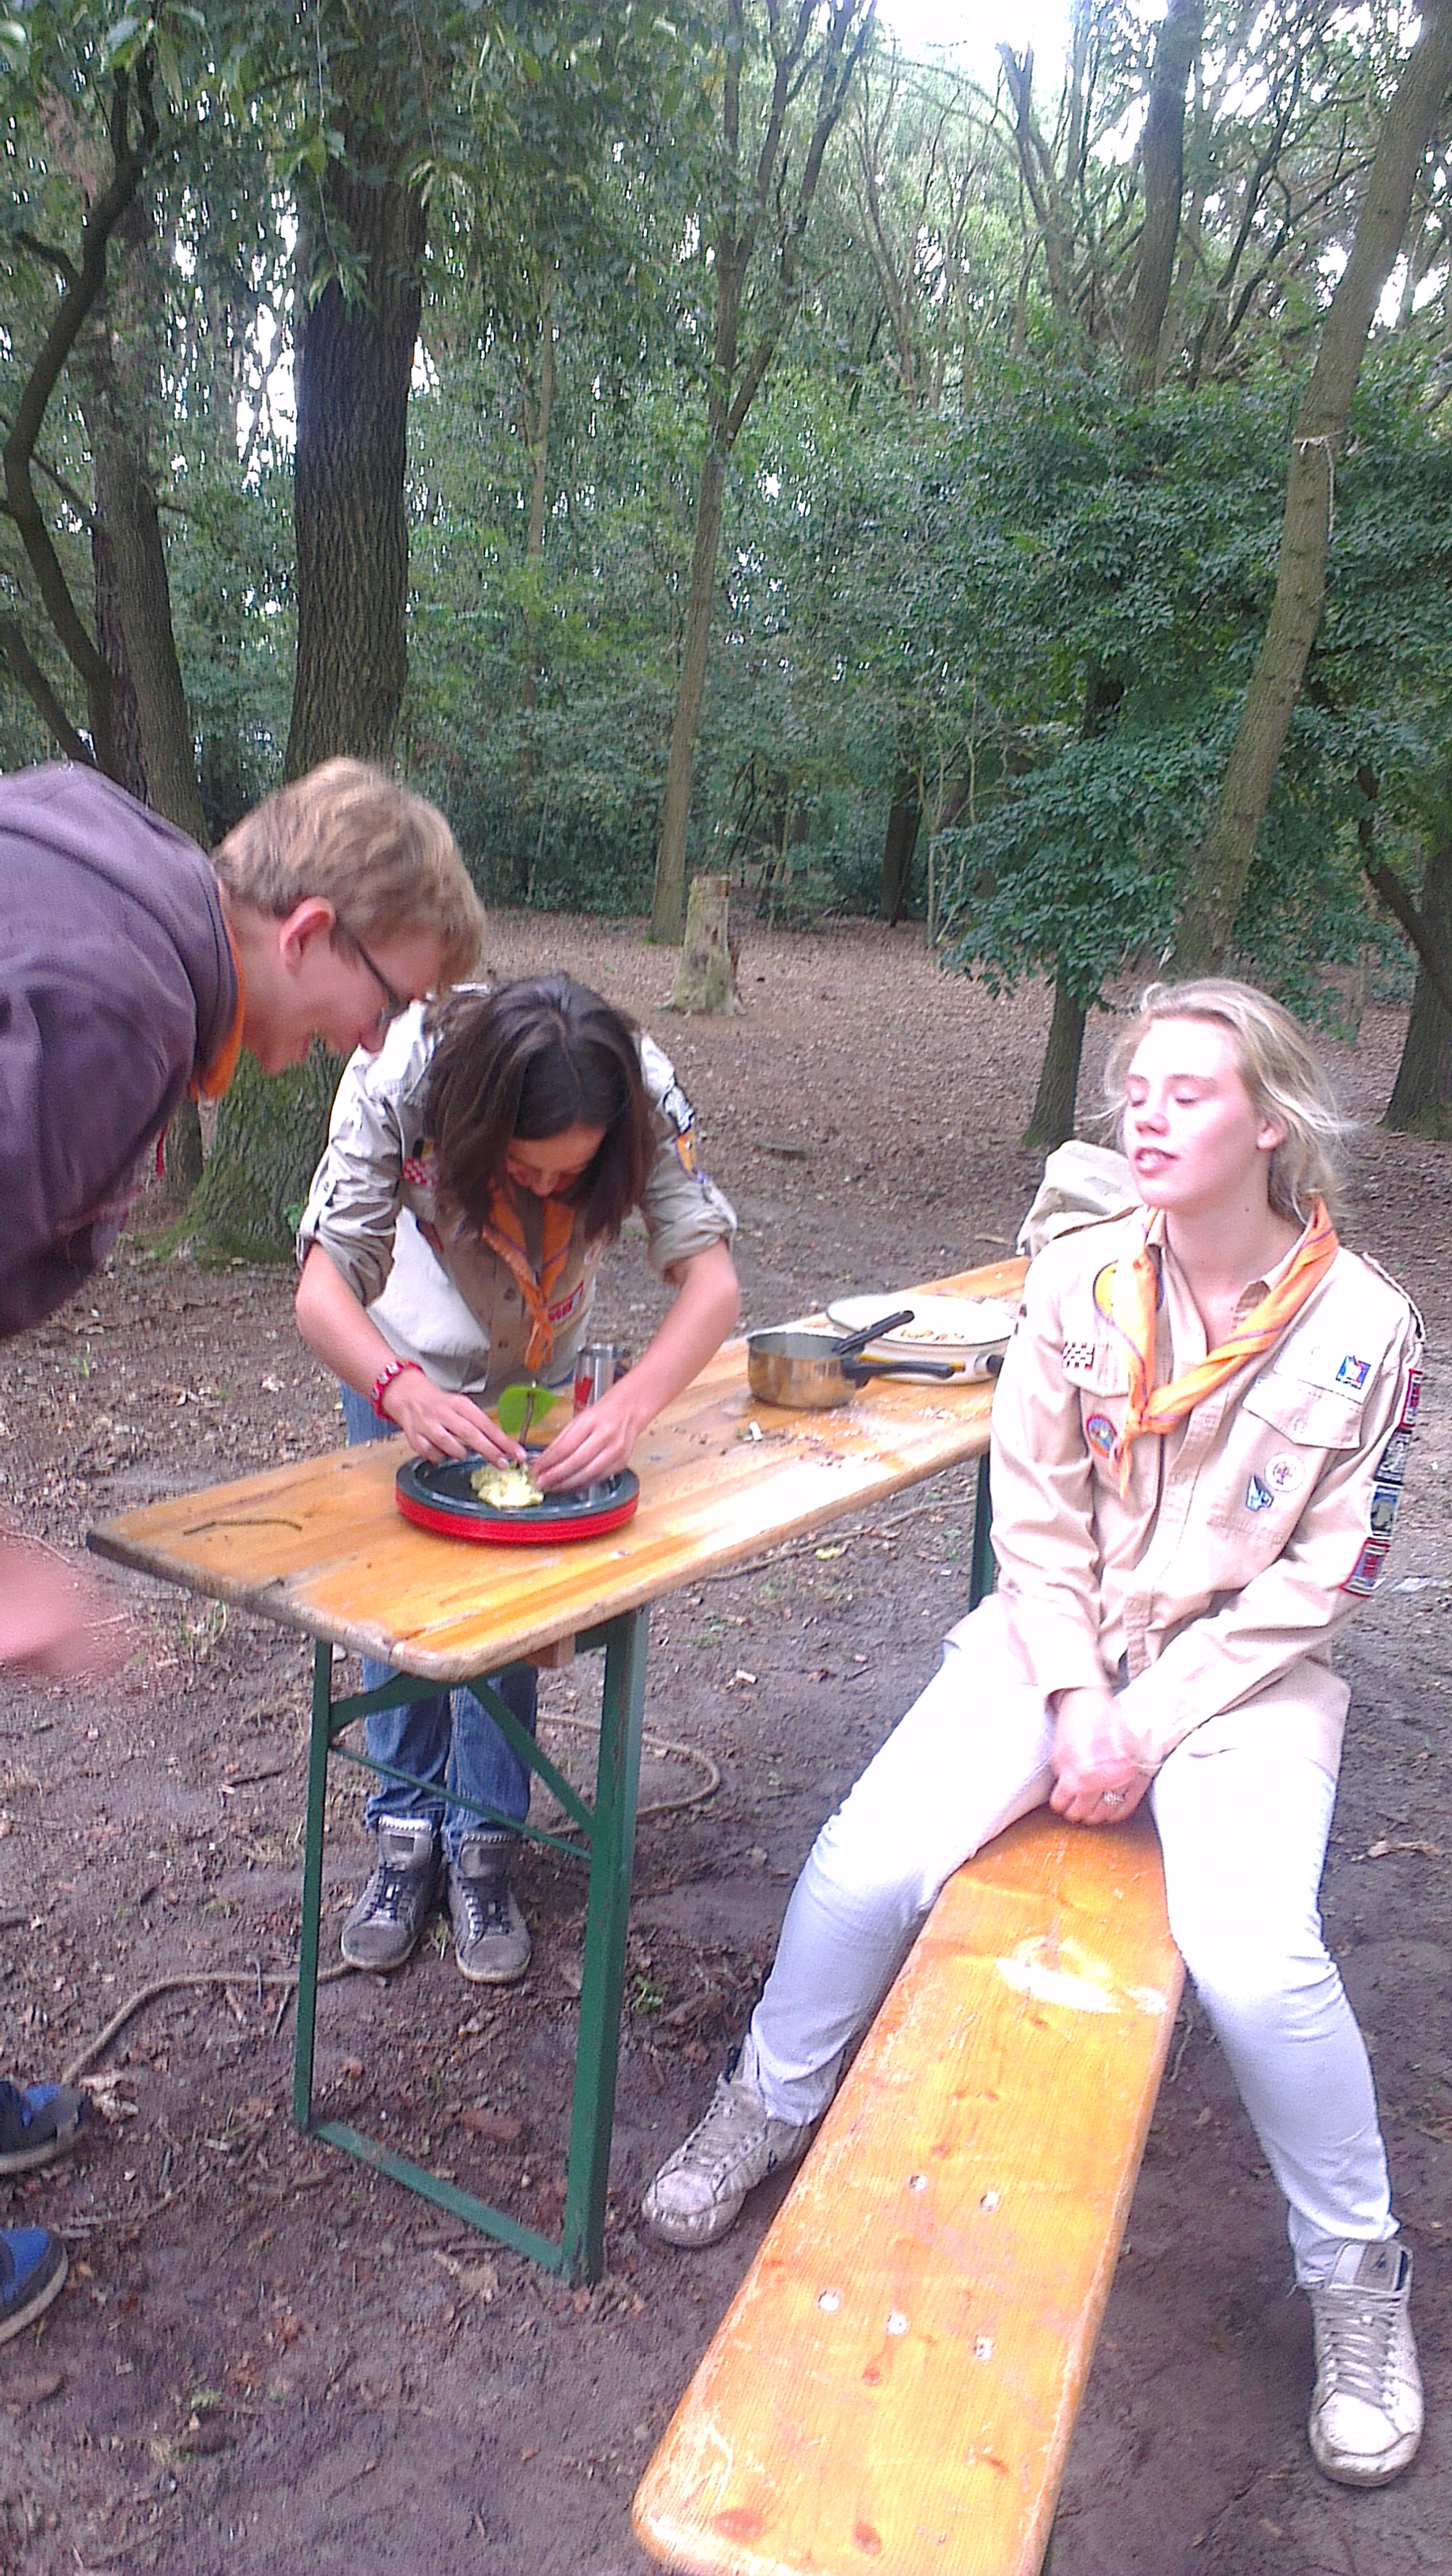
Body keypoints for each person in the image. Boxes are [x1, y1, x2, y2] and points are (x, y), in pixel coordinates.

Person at [643, 978, 1426, 2493]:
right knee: (867, 1859)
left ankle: (1356, 2271)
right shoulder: (1075, 1278)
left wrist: (1150, 1716)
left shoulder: (1366, 1325)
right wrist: (1076, 1697)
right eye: (1138, 1087)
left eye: (1188, 1091)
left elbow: (1327, 1576)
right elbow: (1039, 1519)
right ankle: (766, 2100)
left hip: (1242, 1681)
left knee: (1257, 1958)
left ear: (1270, 1122)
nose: (1146, 1112)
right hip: (1055, 1646)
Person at [0, 754, 484, 2346]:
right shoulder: (121, 1001)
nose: (367, 1046)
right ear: (311, 931)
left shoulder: (118, 873)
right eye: (380, 1006)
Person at [294, 971, 739, 1985]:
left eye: (570, 1175)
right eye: (525, 1168)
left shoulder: (637, 1090)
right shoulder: (398, 1075)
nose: (547, 1190)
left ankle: (484, 1846)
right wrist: (399, 1388)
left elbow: (712, 1285)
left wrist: (628, 1406)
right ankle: (404, 1834)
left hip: (539, 1364)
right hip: (402, 1357)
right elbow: (321, 1292)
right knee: (402, 1607)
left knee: (512, 1603)